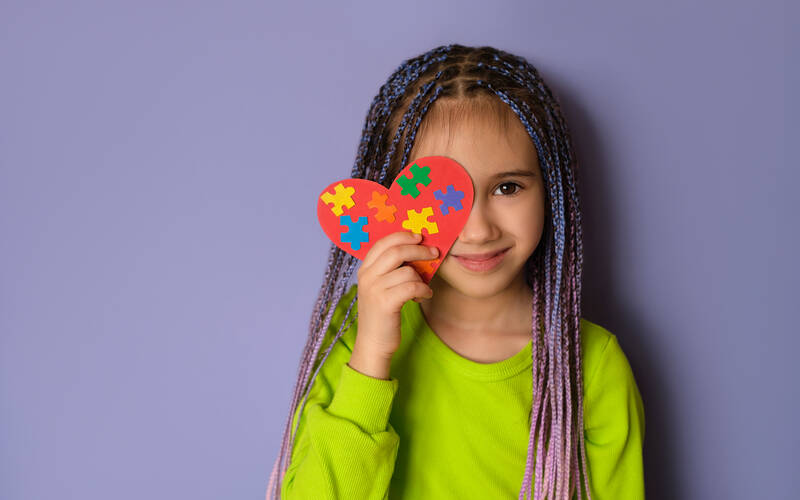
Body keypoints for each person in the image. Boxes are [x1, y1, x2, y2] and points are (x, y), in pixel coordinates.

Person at [266, 44, 645, 500]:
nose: (479, 230)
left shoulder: (590, 367)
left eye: (508, 187)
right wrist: (372, 356)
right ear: (391, 202)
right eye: (445, 198)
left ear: (550, 190)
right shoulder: (356, 333)